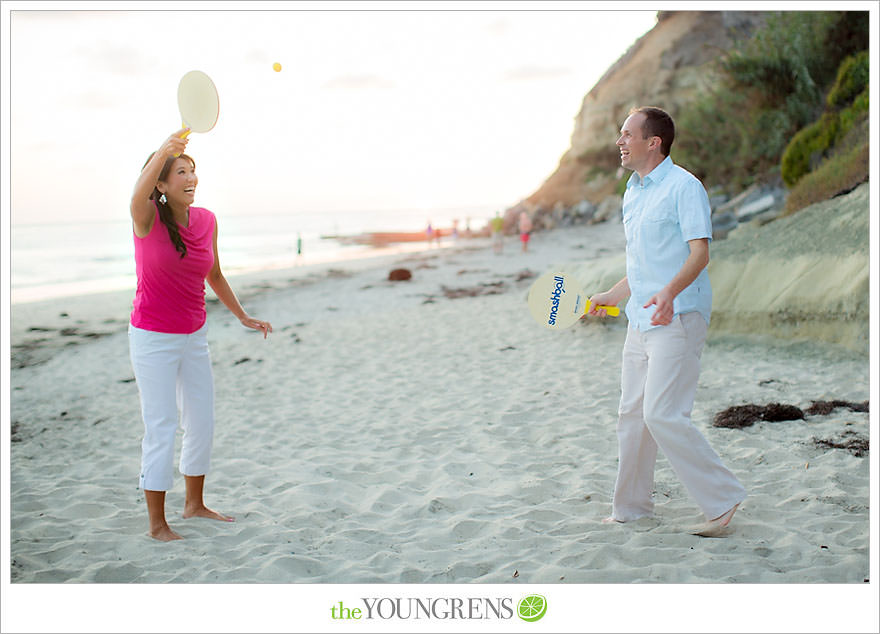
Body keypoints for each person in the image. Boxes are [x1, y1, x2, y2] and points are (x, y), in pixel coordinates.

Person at [588, 107, 746, 535]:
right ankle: (631, 508)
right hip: (639, 320)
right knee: (632, 415)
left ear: (652, 141)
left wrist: (669, 295)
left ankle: (722, 498)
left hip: (679, 315)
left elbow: (700, 254)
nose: (619, 142)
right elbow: (642, 263)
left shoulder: (684, 187)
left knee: (662, 413)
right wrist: (611, 295)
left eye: (626, 134)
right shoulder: (632, 192)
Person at [128, 128, 273, 541]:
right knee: (162, 424)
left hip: (194, 335)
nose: (190, 178)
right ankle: (157, 523)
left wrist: (242, 316)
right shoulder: (147, 217)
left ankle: (194, 504)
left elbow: (214, 273)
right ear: (161, 183)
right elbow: (135, 196)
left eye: (192, 171)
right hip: (152, 336)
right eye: (179, 172)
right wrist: (163, 149)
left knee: (201, 420)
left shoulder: (207, 220)